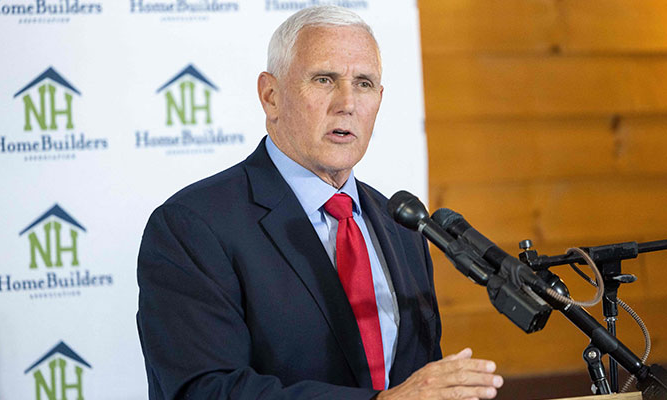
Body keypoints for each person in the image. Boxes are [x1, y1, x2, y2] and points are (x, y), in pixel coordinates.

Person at [137, 5, 503, 399]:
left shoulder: (403, 226)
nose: (347, 102)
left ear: (379, 99)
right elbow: (205, 390)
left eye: (363, 83)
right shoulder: (191, 227)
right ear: (271, 96)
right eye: (324, 79)